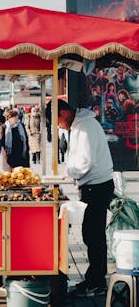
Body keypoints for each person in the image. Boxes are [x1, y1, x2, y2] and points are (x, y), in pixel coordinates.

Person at [57, 99, 114, 298]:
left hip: (97, 187)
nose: (58, 126)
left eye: (57, 121)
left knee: (93, 234)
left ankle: (97, 282)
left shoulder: (86, 126)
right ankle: (93, 278)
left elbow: (85, 161)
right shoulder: (81, 125)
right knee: (91, 233)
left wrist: (69, 172)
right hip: (93, 186)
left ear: (64, 113)